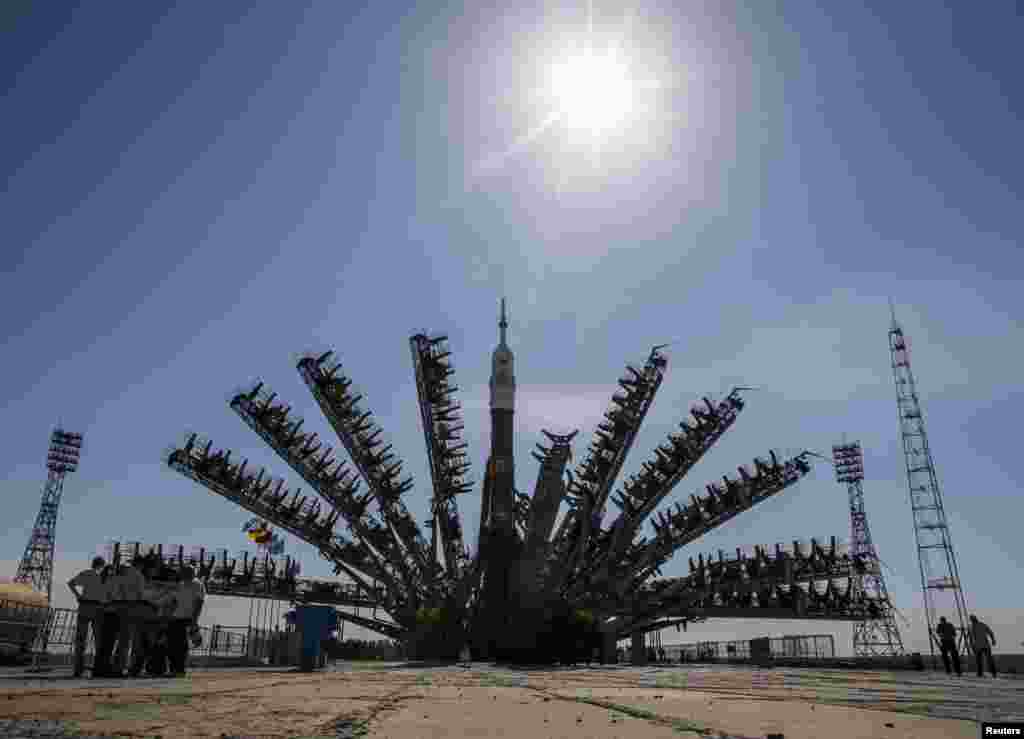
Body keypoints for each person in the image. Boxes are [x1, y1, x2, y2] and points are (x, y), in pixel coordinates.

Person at [67, 557, 107, 678]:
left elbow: (71, 583)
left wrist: (78, 596)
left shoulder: (86, 573)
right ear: (102, 565)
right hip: (98, 608)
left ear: (93, 564)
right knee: (99, 640)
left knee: (80, 640)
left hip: (85, 606)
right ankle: (98, 668)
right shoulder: (104, 577)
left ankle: (78, 669)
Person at [110, 557, 147, 676]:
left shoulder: (122, 573)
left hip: (120, 606)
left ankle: (117, 666)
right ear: (140, 565)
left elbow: (114, 589)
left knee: (121, 639)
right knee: (132, 640)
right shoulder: (139, 576)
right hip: (133, 607)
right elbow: (141, 595)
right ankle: (128, 667)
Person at [168, 566, 205, 676]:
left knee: (182, 645)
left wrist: (194, 620)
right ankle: (173, 669)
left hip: (188, 618)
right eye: (183, 572)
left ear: (193, 573)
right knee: (173, 644)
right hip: (176, 617)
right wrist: (170, 614)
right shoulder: (180, 584)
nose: (183, 574)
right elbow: (174, 601)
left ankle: (180, 670)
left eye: (186, 572)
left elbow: (199, 603)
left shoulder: (198, 585)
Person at [93, 565, 120, 677]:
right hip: (111, 613)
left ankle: (99, 668)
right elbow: (114, 597)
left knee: (103, 643)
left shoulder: (101, 582)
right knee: (108, 643)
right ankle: (104, 668)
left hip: (102, 613)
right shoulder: (111, 582)